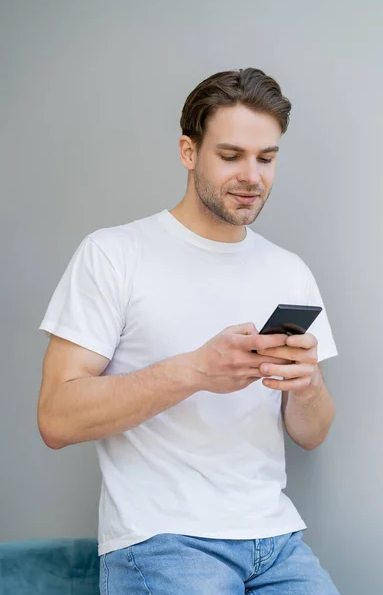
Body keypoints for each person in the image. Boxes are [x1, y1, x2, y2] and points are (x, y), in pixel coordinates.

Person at [38, 68, 340, 594]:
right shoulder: (113, 255)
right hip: (164, 540)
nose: (252, 176)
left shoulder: (290, 271)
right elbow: (55, 419)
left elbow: (313, 434)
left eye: (266, 159)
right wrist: (197, 370)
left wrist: (307, 386)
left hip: (277, 540)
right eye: (231, 156)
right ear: (188, 151)